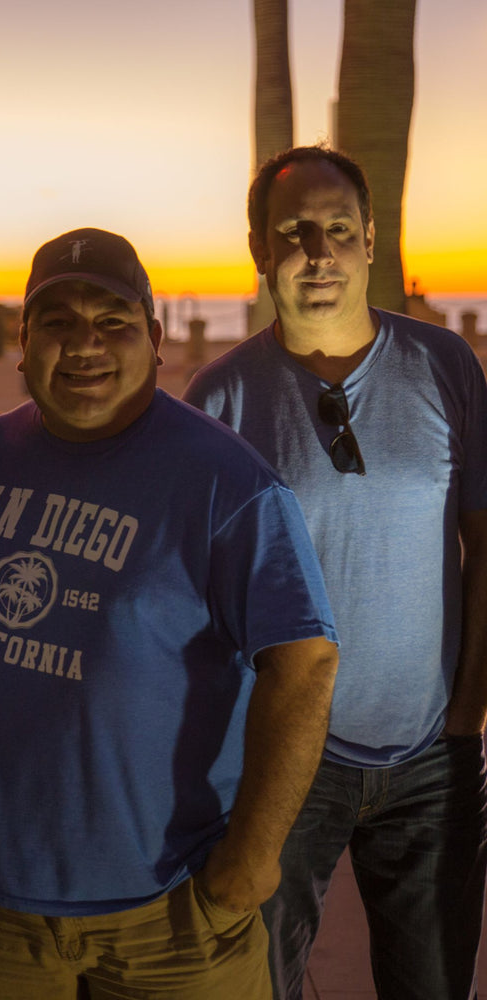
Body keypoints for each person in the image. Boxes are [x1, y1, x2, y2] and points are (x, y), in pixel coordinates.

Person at [0, 226, 340, 999]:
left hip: (172, 913)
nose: (83, 344)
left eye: (112, 322)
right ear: (21, 342)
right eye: (57, 323)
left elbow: (306, 661)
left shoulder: (226, 483)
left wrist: (249, 864)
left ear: (154, 339)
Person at [183, 145, 487, 1000]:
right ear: (257, 249)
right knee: (262, 983)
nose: (317, 252)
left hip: (434, 755)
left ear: (369, 241)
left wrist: (467, 711)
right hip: (281, 762)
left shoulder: (446, 368)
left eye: (337, 230)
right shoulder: (220, 398)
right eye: (293, 232)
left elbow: (484, 541)